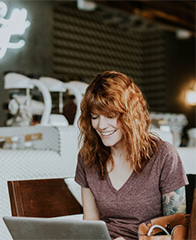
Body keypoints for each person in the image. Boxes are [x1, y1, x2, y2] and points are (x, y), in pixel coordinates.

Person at [75, 71, 189, 240]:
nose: (101, 125)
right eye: (94, 116)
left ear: (130, 115)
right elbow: (90, 226)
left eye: (110, 116)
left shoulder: (164, 155)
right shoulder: (87, 158)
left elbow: (178, 231)